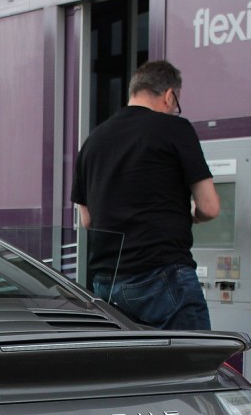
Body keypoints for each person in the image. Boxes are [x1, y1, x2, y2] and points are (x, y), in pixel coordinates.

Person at [70, 59, 220, 330]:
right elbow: (209, 207)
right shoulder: (174, 128)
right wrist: (191, 215)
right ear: (168, 95)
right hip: (162, 275)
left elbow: (88, 220)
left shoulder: (93, 141)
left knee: (136, 370)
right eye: (176, 103)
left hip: (107, 284)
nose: (174, 109)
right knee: (195, 365)